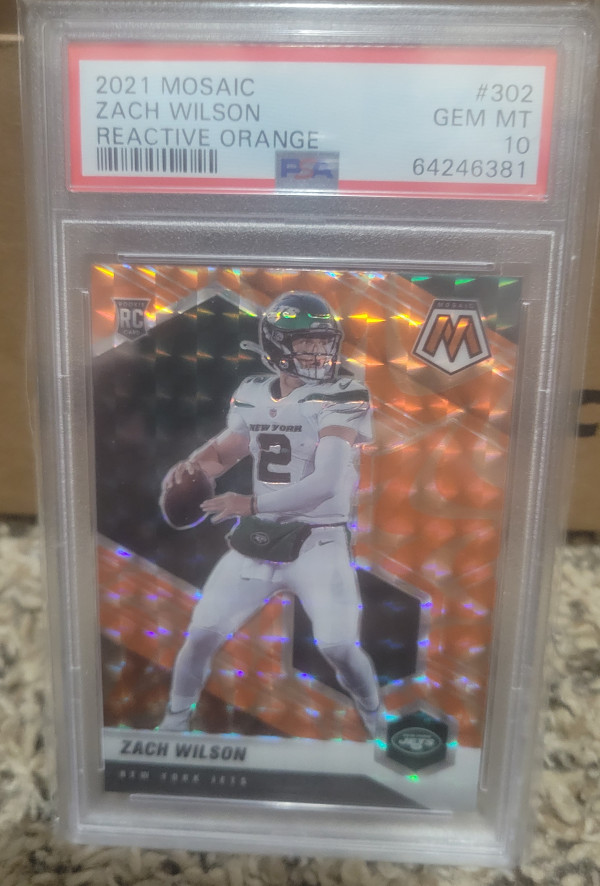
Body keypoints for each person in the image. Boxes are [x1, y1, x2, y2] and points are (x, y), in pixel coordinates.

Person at [159, 290, 381, 738]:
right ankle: (174, 722)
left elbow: (326, 482)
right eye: (307, 342)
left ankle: (377, 719)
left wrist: (249, 503)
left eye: (324, 342)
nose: (319, 352)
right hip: (260, 538)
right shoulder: (253, 393)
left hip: (319, 540)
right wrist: (191, 468)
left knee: (338, 646)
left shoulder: (343, 393)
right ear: (278, 346)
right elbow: (225, 453)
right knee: (201, 634)